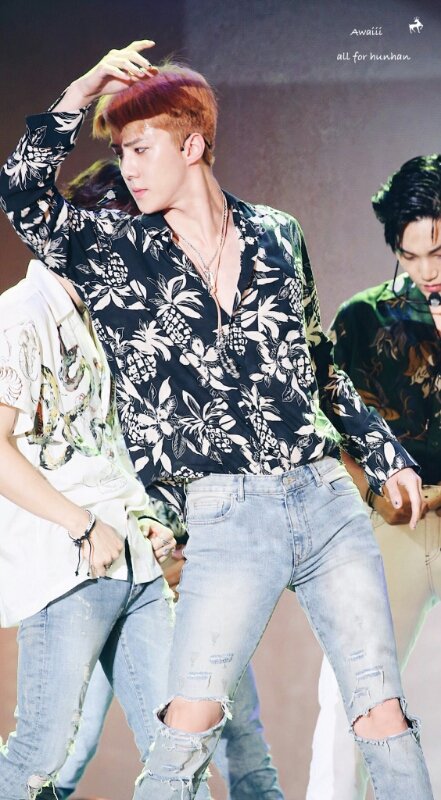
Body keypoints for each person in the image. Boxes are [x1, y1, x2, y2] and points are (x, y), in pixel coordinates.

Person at [0, 40, 434, 800]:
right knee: (186, 733)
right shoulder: (116, 252)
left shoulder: (276, 233)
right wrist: (81, 90)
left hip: (324, 499)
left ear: (193, 144)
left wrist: (384, 452)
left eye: (141, 148)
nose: (128, 168)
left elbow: (319, 365)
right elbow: (23, 195)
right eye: (120, 152)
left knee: (381, 713)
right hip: (227, 513)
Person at [54, 159, 284, 800]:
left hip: (185, 571)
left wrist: (184, 535)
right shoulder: (58, 328)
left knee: (239, 742)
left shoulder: (175, 323)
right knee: (63, 750)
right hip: (104, 571)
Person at [0, 255, 179, 800]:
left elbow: (103, 441)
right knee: (41, 755)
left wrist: (147, 515)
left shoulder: (97, 314)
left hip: (135, 564)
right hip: (70, 566)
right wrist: (82, 527)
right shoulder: (19, 313)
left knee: (178, 750)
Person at [306, 155, 441, 800]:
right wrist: (373, 492)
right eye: (410, 256)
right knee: (354, 691)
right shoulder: (363, 318)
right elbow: (326, 427)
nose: (427, 270)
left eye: (438, 252)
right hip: (393, 528)